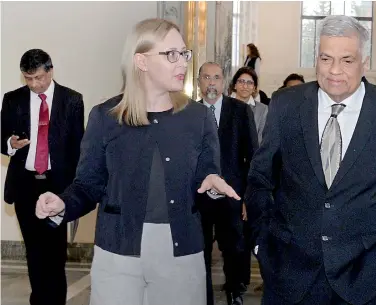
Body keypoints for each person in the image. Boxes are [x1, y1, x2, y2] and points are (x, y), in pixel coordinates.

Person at [35, 19, 239, 305]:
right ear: (141, 61)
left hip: (181, 249)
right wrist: (63, 203)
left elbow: (206, 173)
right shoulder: (105, 117)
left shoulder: (199, 118)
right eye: (171, 54)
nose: (182, 63)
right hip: (118, 248)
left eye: (184, 53)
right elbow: (88, 185)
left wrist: (211, 184)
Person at [245, 15, 376, 305]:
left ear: (364, 62)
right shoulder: (286, 104)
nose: (334, 71)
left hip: (362, 275)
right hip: (288, 272)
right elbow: (260, 178)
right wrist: (260, 241)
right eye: (325, 58)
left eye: (347, 60)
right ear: (316, 59)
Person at [1, 49, 85, 305]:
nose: (34, 84)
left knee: (55, 251)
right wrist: (11, 144)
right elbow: (2, 139)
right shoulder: (13, 99)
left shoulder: (71, 100)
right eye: (28, 79)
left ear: (50, 71)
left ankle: (55, 300)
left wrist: (73, 191)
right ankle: (38, 300)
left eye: (38, 77)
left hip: (57, 186)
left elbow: (77, 148)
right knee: (34, 251)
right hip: (25, 184)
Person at [196, 62, 258, 305]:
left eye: (217, 77)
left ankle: (234, 291)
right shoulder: (188, 111)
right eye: (206, 77)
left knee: (233, 247)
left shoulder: (241, 112)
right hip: (198, 196)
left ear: (224, 83)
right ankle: (203, 295)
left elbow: (252, 156)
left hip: (231, 195)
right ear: (199, 81)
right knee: (199, 248)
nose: (211, 82)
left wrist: (246, 197)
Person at [230, 67, 268, 144]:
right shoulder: (224, 106)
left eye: (250, 83)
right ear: (234, 85)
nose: (245, 86)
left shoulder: (262, 109)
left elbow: (261, 140)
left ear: (254, 88)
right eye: (241, 81)